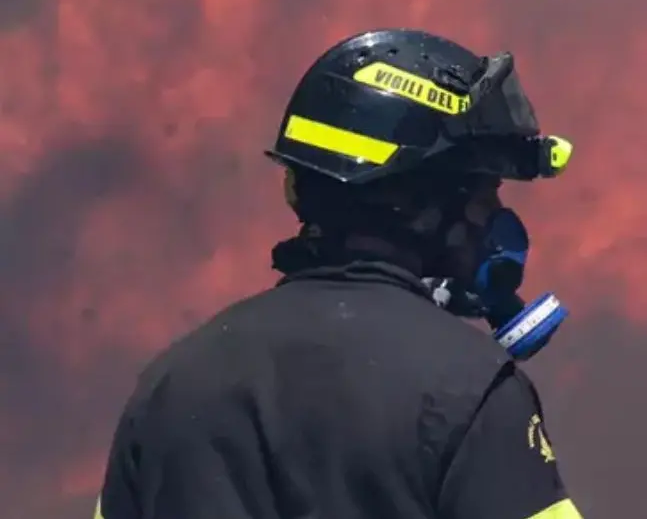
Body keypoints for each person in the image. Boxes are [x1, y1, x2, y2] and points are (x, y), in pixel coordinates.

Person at [94, 29, 582, 519]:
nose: (494, 216)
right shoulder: (469, 393)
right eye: (486, 191)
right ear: (424, 202)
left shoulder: (170, 385)